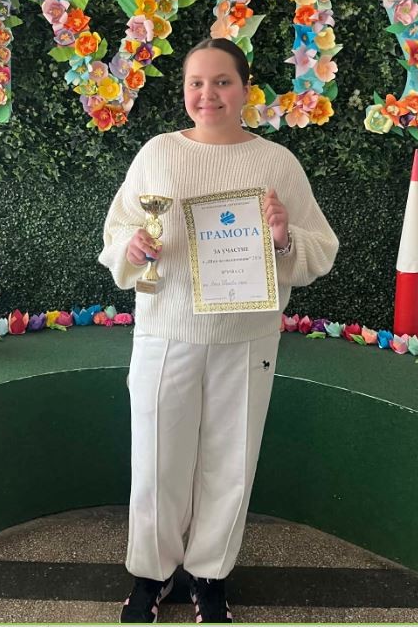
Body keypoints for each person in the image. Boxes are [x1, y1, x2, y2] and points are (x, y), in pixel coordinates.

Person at [99, 38, 338, 623]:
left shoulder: (276, 163)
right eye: (196, 83)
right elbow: (117, 231)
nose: (208, 94)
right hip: (166, 331)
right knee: (157, 462)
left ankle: (209, 575)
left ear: (245, 89)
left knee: (232, 462)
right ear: (184, 90)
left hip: (247, 336)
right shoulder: (158, 153)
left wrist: (283, 237)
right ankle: (151, 574)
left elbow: (321, 246)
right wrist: (132, 246)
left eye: (222, 82)